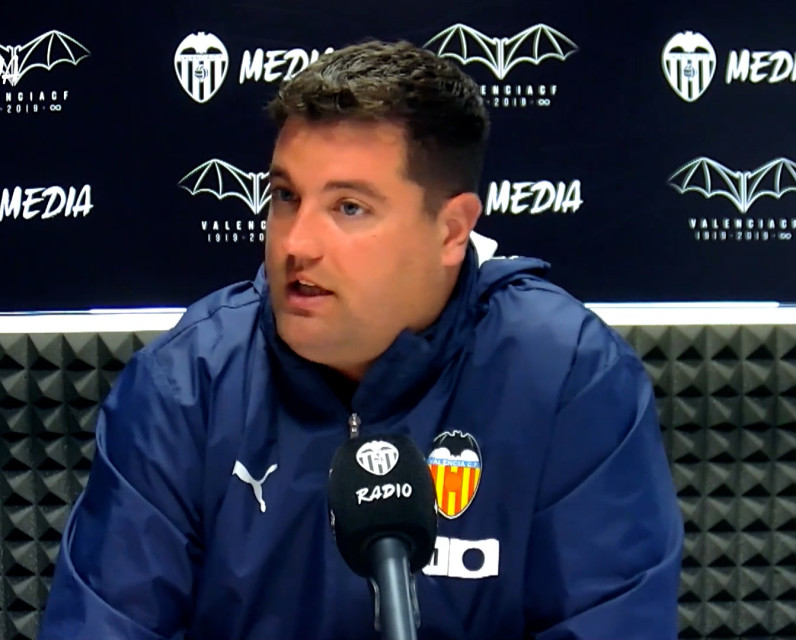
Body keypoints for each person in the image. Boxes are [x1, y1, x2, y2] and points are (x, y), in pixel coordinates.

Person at [38, 40, 683, 639]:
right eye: (285, 196)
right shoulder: (187, 384)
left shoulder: (567, 377)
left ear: (452, 230)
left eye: (349, 207)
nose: (297, 243)